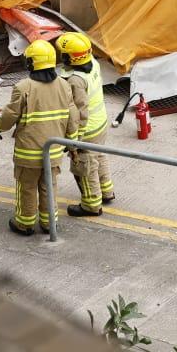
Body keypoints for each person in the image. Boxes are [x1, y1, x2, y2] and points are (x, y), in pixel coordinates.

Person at [0, 39, 79, 235]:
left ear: (31, 63)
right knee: (49, 186)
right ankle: (49, 224)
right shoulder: (64, 86)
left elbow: (10, 115)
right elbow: (73, 116)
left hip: (28, 153)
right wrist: (72, 144)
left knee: (27, 187)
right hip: (54, 152)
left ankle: (25, 224)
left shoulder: (23, 87)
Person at [56, 31, 113, 216]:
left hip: (87, 130)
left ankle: (91, 204)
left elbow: (79, 112)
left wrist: (75, 139)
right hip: (100, 123)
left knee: (84, 166)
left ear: (70, 57)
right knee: (99, 157)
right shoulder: (93, 64)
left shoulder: (75, 80)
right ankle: (106, 191)